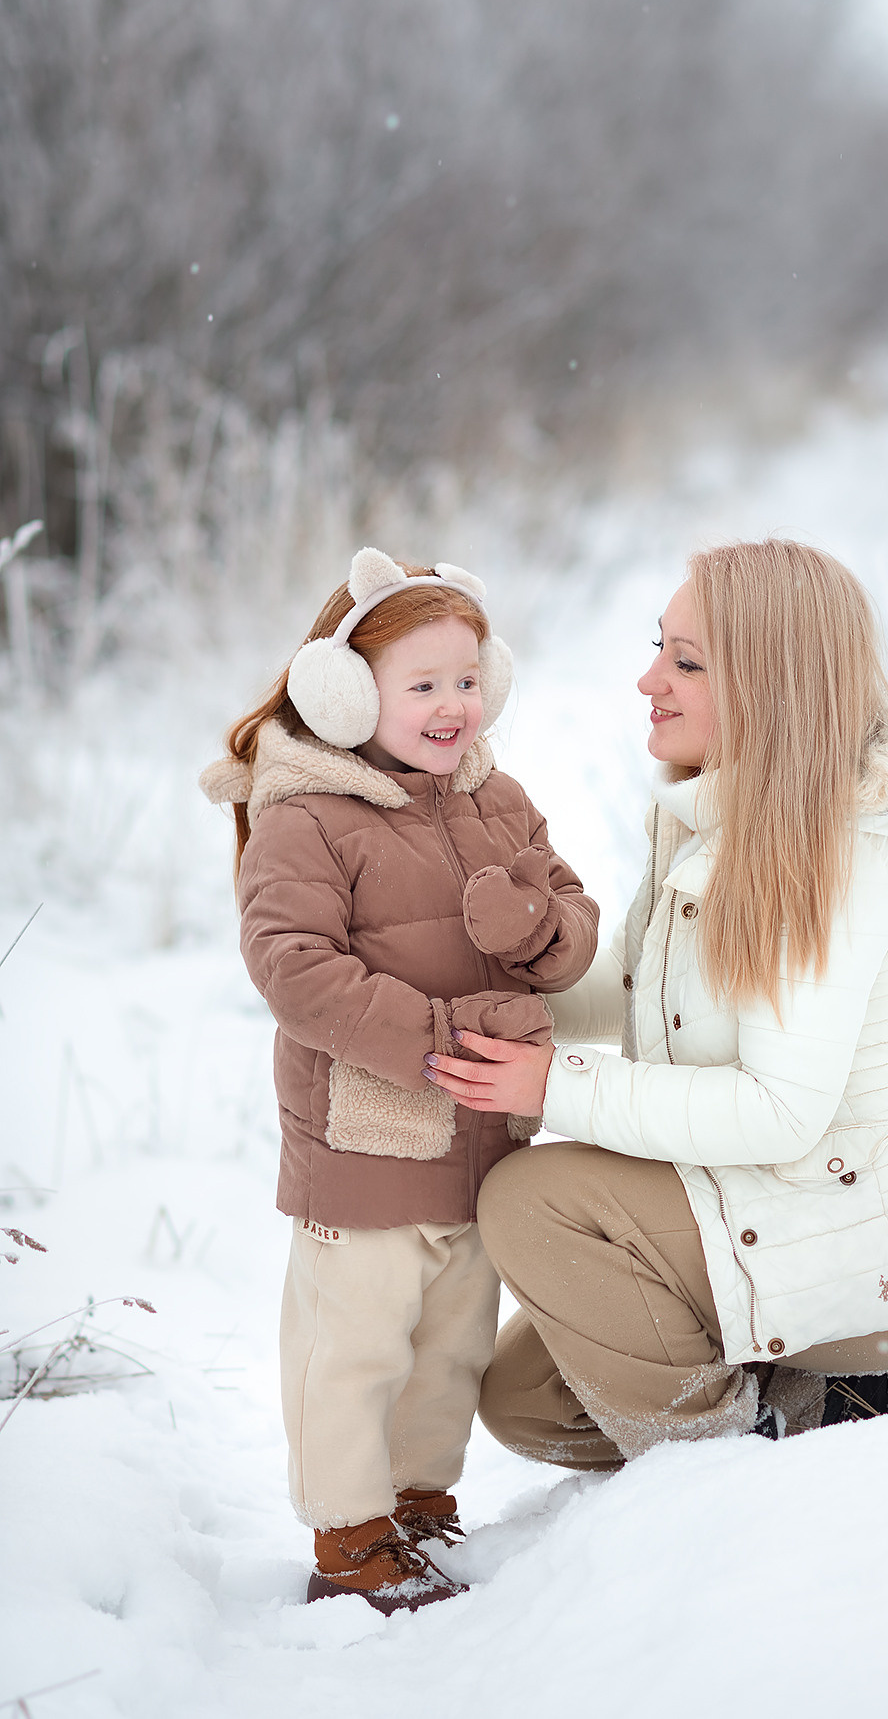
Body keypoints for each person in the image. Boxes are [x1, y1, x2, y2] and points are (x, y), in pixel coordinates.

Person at [427, 538, 888, 1467]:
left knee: (532, 1201)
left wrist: (553, 1086)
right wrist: (509, 976)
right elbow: (629, 981)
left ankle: (728, 1460)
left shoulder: (833, 857)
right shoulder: (717, 813)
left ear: (771, 687)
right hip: (787, 1198)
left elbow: (780, 1112)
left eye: (686, 661)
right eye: (658, 645)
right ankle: (828, 1402)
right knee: (527, 1401)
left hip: (871, 1250)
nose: (647, 679)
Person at [199, 547, 598, 1608]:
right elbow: (294, 970)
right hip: (367, 1136)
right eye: (421, 684)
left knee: (451, 1347)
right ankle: (348, 1533)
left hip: (481, 1142)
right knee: (357, 1344)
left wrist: (544, 929)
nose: (452, 706)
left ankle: (421, 1502)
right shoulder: (305, 817)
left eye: (467, 680)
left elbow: (575, 925)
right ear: (343, 692)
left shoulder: (497, 799)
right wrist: (438, 1038)